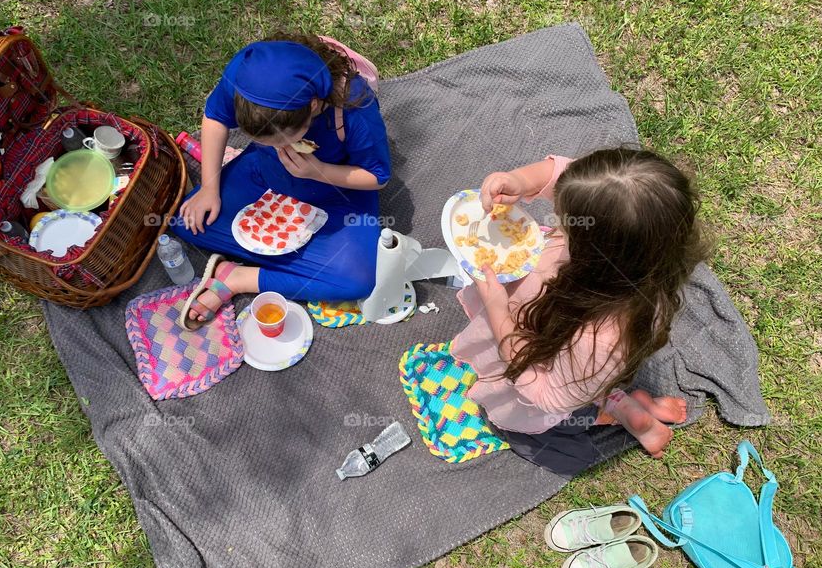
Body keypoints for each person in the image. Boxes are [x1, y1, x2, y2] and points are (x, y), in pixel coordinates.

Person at [451, 148, 710, 462]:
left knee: (569, 402)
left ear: (595, 257)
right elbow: (566, 175)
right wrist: (520, 179)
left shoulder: (598, 340)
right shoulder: (644, 246)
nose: (558, 222)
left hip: (541, 360)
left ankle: (609, 414)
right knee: (587, 379)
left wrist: (498, 313)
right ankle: (623, 404)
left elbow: (548, 395)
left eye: (566, 223)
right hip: (580, 366)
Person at [171, 33, 391, 329]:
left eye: (287, 140)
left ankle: (240, 277)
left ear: (313, 106)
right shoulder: (245, 75)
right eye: (267, 141)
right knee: (186, 222)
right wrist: (210, 187)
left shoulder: (354, 107)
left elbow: (377, 177)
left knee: (358, 280)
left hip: (338, 192)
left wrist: (318, 171)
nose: (280, 147)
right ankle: (297, 266)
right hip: (264, 175)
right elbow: (215, 116)